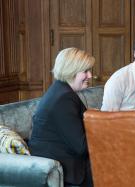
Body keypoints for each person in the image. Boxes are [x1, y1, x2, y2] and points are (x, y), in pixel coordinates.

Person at [29, 47, 95, 187]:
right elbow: (82, 147)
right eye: (85, 71)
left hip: (65, 161)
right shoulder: (63, 98)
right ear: (71, 71)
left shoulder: (61, 90)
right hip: (65, 169)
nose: (90, 75)